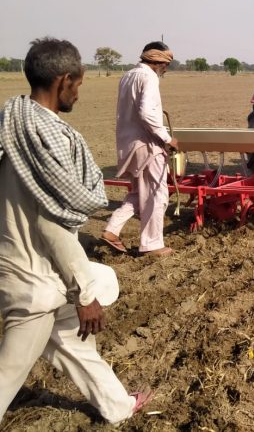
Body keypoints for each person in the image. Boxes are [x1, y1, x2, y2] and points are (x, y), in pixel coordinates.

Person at [0, 37, 152, 423]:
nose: (79, 94)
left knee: (72, 342)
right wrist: (85, 294)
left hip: (28, 267)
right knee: (8, 375)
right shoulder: (49, 141)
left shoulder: (13, 125)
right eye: (79, 85)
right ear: (64, 80)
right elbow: (52, 225)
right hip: (33, 281)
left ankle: (118, 406)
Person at [102, 41, 178, 257]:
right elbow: (146, 112)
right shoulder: (149, 77)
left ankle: (112, 229)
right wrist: (167, 138)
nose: (166, 69)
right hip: (147, 145)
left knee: (139, 192)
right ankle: (152, 244)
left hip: (129, 144)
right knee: (157, 194)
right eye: (166, 64)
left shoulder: (128, 75)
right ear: (158, 61)